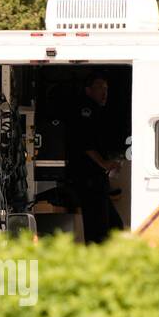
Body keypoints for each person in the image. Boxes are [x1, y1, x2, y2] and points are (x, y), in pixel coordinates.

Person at [64, 72, 126, 244]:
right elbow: (85, 143)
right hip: (88, 179)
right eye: (100, 88)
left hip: (97, 180)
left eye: (106, 88)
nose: (104, 92)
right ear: (88, 90)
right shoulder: (86, 110)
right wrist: (104, 163)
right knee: (99, 229)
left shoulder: (98, 112)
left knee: (114, 226)